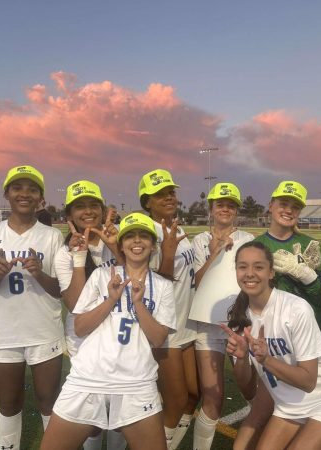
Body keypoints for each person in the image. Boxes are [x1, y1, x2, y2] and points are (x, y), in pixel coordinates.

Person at [40, 212, 176, 450]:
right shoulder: (102, 275)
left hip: (137, 383)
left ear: (153, 245)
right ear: (121, 245)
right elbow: (80, 327)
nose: (136, 241)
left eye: (143, 236)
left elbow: (158, 339)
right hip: (88, 378)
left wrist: (138, 304)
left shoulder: (163, 286)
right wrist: (110, 300)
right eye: (130, 236)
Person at [0, 165, 65, 450]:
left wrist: (39, 273)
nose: (25, 194)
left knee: (48, 401)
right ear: (6, 193)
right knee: (9, 404)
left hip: (43, 330)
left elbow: (60, 291)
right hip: (2, 333)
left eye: (32, 189)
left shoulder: (52, 237)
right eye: (18, 188)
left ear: (40, 198)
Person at [222, 241, 321, 450]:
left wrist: (266, 360)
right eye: (243, 267)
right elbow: (248, 389)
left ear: (271, 273)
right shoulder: (240, 320)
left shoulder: (295, 309)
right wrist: (242, 359)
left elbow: (308, 381)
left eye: (258, 267)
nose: (249, 273)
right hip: (291, 402)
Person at [238, 180, 321, 449]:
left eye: (295, 207)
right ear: (272, 205)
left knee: (312, 413)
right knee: (271, 408)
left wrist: (305, 274)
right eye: (283, 203)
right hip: (273, 337)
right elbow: (248, 290)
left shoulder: (310, 244)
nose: (288, 210)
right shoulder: (257, 244)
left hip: (307, 338)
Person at [53, 180, 126, 450]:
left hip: (120, 333)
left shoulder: (117, 240)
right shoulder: (64, 253)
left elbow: (137, 277)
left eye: (93, 205)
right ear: (70, 215)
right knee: (92, 413)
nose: (88, 211)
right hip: (83, 340)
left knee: (120, 408)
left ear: (103, 208)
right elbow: (75, 305)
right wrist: (79, 257)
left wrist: (116, 246)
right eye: (79, 207)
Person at [190, 182, 254, 449]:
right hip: (207, 322)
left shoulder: (248, 239)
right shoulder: (200, 240)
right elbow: (198, 280)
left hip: (239, 322)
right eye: (220, 204)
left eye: (231, 205)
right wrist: (215, 251)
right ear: (211, 208)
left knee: (252, 392)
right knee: (213, 394)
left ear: (236, 210)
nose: (225, 209)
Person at [138, 169, 198, 449]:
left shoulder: (178, 229)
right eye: (160, 194)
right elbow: (150, 287)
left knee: (193, 395)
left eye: (171, 192)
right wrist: (169, 252)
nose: (168, 197)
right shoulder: (145, 234)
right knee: (174, 400)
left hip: (187, 325)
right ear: (147, 201)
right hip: (166, 329)